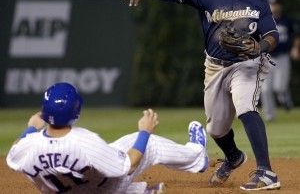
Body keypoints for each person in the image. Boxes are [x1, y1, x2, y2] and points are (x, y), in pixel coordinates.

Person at [122, 0, 281, 191]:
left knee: (244, 105)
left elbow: (272, 33)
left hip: (247, 64)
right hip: (215, 67)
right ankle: (234, 157)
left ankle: (266, 172)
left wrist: (260, 47)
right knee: (216, 129)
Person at [6, 82, 209, 194]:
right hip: (99, 190)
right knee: (150, 146)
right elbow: (129, 164)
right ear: (75, 111)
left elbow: (16, 149)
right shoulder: (85, 141)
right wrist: (145, 132)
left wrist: (31, 127)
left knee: (105, 156)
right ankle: (198, 158)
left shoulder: (28, 146)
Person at [260, 0, 300, 121]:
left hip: (282, 58)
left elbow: (296, 36)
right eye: (271, 4)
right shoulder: (262, 22)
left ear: (280, 6)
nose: (274, 7)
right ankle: (269, 115)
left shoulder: (287, 21)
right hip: (266, 58)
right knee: (265, 90)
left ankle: (285, 98)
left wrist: (295, 48)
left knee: (279, 88)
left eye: (275, 4)